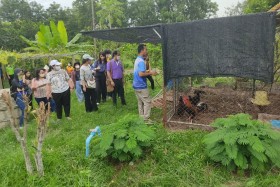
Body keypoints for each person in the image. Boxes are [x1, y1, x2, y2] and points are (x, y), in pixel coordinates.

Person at [133, 44, 157, 122]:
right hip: (141, 85)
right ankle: (146, 119)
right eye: (145, 50)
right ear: (142, 50)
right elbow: (141, 74)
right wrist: (151, 73)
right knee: (147, 101)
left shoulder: (137, 59)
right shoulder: (141, 61)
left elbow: (140, 72)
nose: (146, 51)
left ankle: (141, 117)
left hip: (136, 85)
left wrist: (147, 71)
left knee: (140, 102)